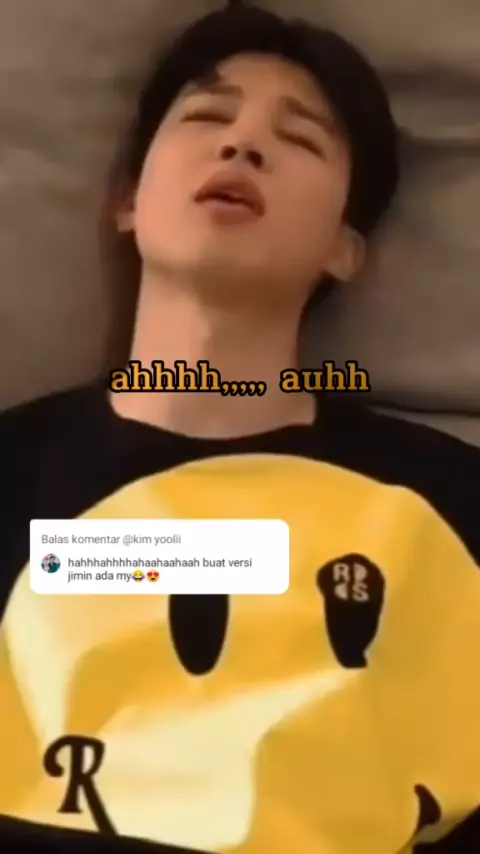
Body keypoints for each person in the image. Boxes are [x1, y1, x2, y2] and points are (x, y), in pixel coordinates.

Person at [0, 6, 479, 854]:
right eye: (206, 116)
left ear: (345, 247)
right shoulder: (14, 471)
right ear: (127, 202)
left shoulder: (446, 502)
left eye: (299, 139)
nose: (242, 144)